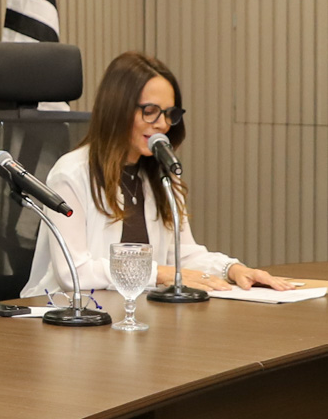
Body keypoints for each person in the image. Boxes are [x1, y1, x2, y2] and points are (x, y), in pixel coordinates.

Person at [22, 50, 293, 297]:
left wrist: (231, 269)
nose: (162, 124)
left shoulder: (161, 172)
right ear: (118, 110)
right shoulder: (71, 174)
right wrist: (158, 273)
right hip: (71, 317)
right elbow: (73, 272)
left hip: (138, 315)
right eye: (150, 112)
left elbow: (181, 255)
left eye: (169, 113)